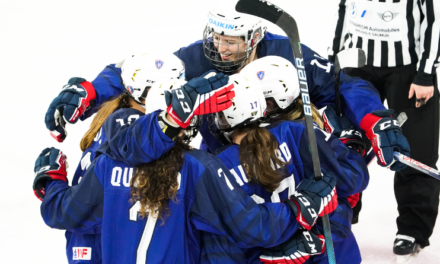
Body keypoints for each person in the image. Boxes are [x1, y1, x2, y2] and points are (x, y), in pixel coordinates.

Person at [43, 5, 409, 174]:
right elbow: (140, 72)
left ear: (256, 38)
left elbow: (342, 85)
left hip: (287, 157)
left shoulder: (286, 51)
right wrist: (91, 92)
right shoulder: (199, 59)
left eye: (232, 40)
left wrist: (373, 121)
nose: (221, 48)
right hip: (226, 163)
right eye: (216, 36)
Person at [33, 76, 338, 264]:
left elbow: (64, 215)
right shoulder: (197, 167)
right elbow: (253, 227)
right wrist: (300, 206)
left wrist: (51, 180)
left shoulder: (107, 163)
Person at [34, 52, 185, 264]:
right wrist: (52, 185)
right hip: (102, 249)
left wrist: (51, 180)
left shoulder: (112, 119)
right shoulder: (136, 147)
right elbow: (70, 212)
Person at [204, 72, 369, 264]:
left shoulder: (216, 166)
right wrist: (346, 145)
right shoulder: (296, 131)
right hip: (333, 257)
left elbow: (221, 244)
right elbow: (350, 183)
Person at [328, 0, 440, 258]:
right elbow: (346, 7)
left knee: (415, 150)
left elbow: (433, 18)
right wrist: (335, 56)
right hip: (357, 64)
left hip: (407, 69)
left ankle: (413, 229)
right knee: (347, 142)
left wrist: (425, 73)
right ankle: (342, 213)